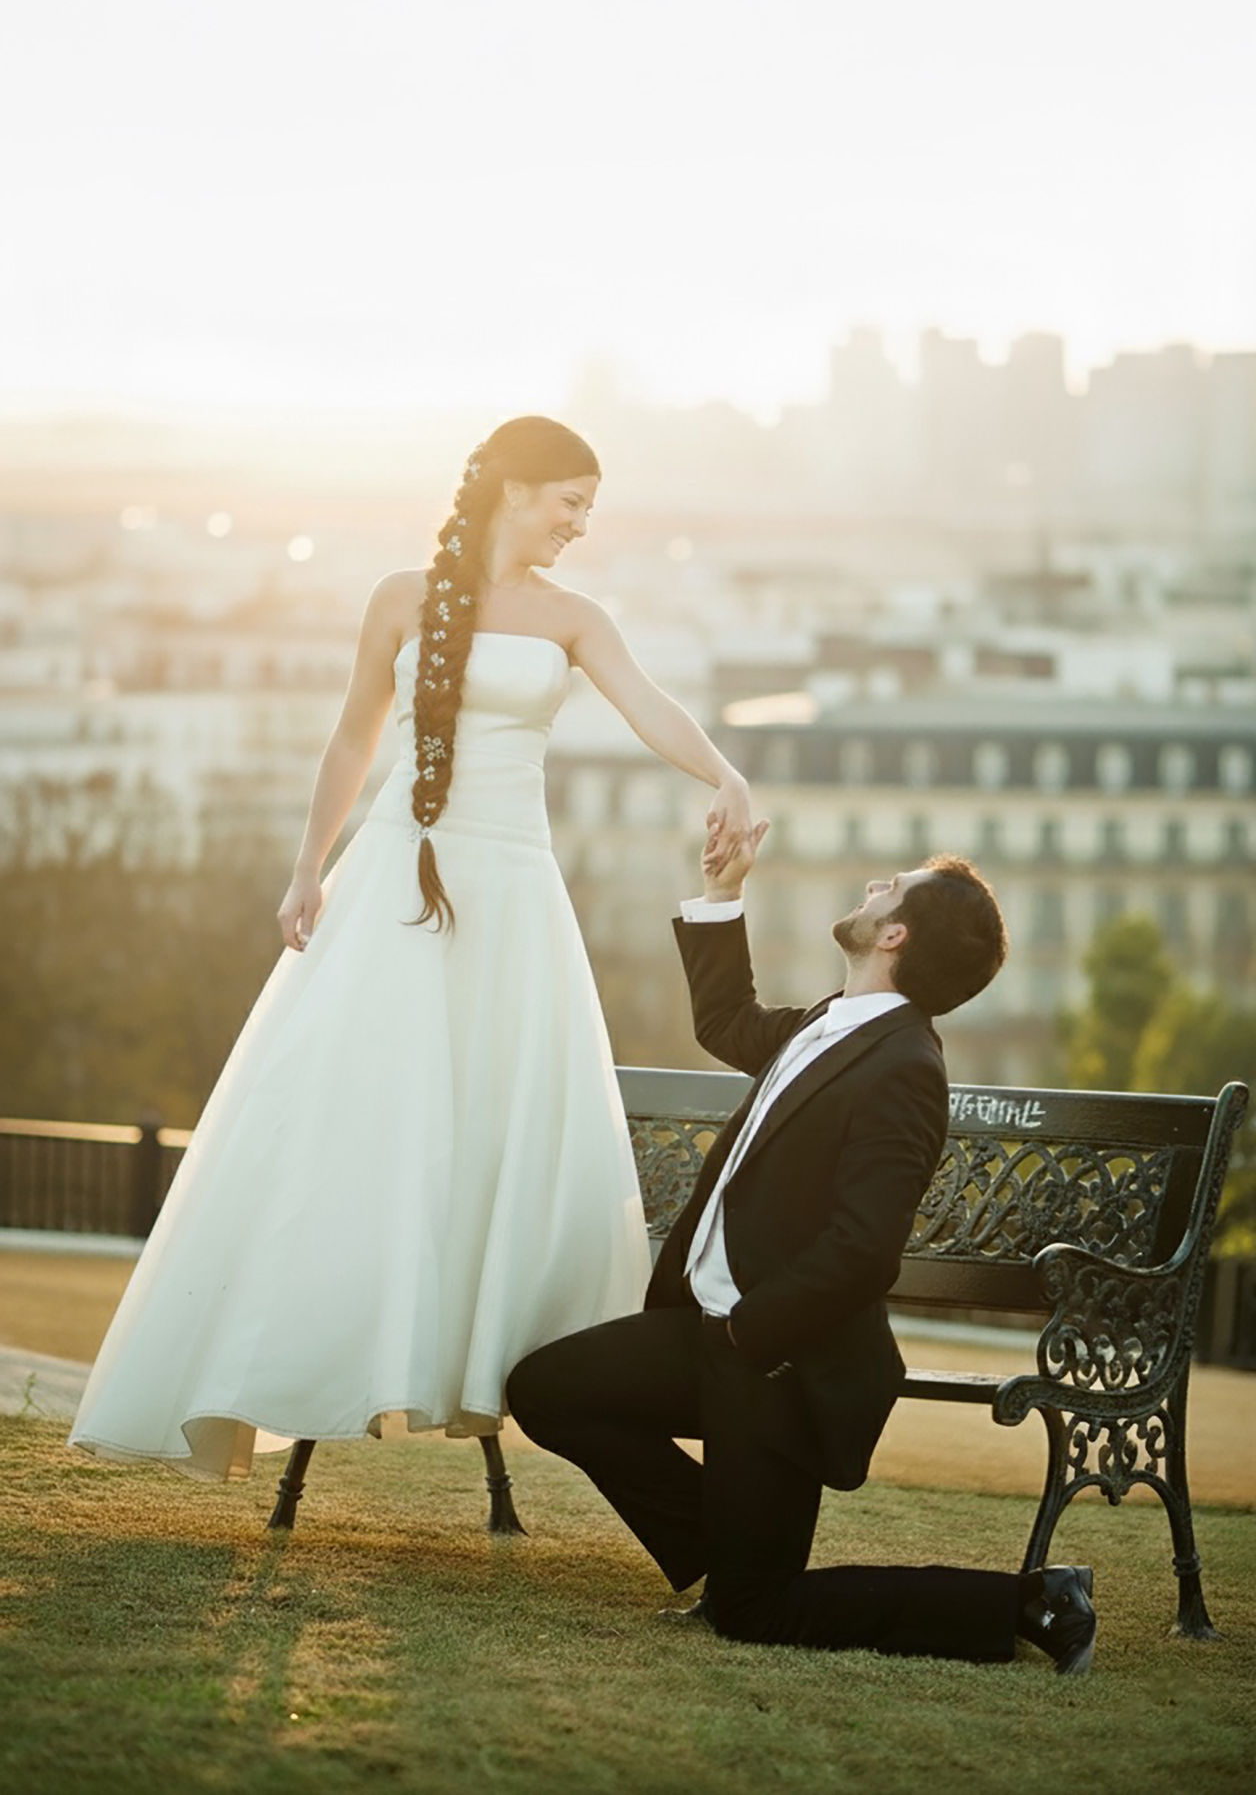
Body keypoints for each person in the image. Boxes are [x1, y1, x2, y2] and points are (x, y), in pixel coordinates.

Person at [69, 416, 754, 1487]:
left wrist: (724, 775)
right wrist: (308, 867)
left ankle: (479, 1361)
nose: (580, 524)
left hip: (512, 887)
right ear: (514, 489)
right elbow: (354, 734)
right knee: (355, 1109)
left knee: (492, 1114)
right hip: (395, 872)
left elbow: (648, 707)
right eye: (570, 501)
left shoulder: (575, 618)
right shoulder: (398, 598)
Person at [508, 829, 1099, 1674]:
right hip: (708, 1338)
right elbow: (726, 1021)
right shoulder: (829, 1022)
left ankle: (1033, 1600)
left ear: (894, 934)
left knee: (756, 1611)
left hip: (778, 1367)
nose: (874, 885)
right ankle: (723, 1540)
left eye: (890, 887)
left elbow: (864, 1251)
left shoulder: (905, 1067)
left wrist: (747, 1334)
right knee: (547, 1388)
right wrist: (723, 894)